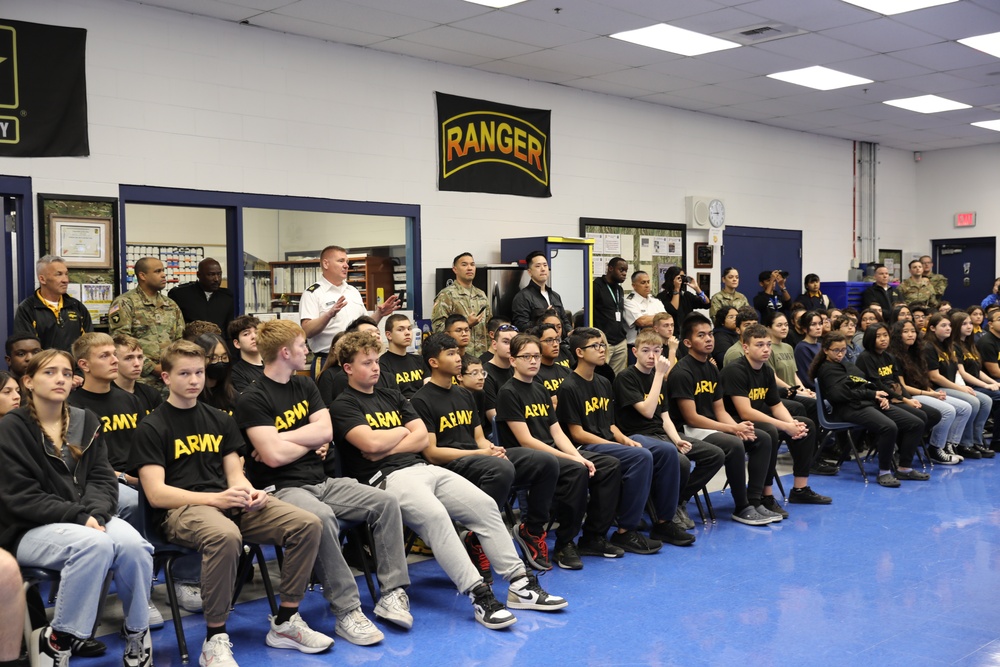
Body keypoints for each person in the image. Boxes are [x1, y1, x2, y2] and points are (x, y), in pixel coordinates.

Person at [331, 331, 567, 629]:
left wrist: (391, 440)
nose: (376, 368)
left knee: (484, 506)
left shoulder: (393, 396)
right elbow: (371, 446)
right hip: (386, 479)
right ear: (348, 368)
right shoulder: (343, 406)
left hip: (424, 469)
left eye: (377, 361)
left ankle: (520, 584)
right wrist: (401, 435)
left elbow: (418, 441)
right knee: (436, 517)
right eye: (367, 363)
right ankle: (479, 593)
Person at [133, 340, 332, 667]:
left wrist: (248, 491)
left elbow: (234, 473)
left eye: (198, 372)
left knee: (306, 523)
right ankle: (215, 639)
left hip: (228, 503)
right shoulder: (152, 426)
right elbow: (156, 494)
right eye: (184, 373)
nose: (194, 380)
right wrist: (217, 498)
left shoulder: (219, 419)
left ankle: (286, 622)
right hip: (181, 510)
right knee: (226, 536)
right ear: (166, 378)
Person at [237, 319, 411, 644]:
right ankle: (347, 611)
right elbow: (272, 458)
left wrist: (281, 438)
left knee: (385, 502)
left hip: (322, 481)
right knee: (320, 517)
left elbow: (325, 433)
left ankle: (392, 593)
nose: (308, 350)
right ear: (285, 351)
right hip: (280, 489)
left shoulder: (305, 386)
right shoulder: (253, 397)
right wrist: (297, 442)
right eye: (303, 345)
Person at [0, 349, 154, 667]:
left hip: (86, 519)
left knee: (135, 546)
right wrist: (79, 516)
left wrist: (96, 513)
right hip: (29, 528)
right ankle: (59, 640)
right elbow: (20, 496)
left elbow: (101, 478)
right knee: (94, 545)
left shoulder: (85, 420)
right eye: (50, 372)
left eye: (67, 373)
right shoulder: (10, 429)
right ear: (27, 381)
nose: (60, 379)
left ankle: (138, 632)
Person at [413, 333, 561, 573]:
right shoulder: (421, 400)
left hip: (478, 459)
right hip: (449, 466)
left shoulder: (465, 394)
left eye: (457, 352)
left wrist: (490, 449)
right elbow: (432, 453)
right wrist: (481, 454)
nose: (458, 358)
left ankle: (531, 531)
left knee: (546, 461)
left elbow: (479, 438)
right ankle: (478, 537)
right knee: (500, 469)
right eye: (450, 354)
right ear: (433, 362)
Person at [495, 333, 622, 569]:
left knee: (609, 465)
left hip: (551, 452)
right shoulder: (508, 392)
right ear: (513, 361)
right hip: (524, 457)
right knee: (576, 470)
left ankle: (593, 536)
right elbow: (526, 440)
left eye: (536, 356)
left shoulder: (541, 390)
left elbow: (557, 433)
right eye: (527, 357)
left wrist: (578, 455)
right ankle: (563, 544)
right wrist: (573, 459)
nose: (533, 361)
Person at [556, 327, 669, 554]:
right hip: (584, 446)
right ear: (579, 352)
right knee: (641, 457)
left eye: (603, 345)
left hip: (606, 442)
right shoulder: (569, 386)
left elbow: (611, 425)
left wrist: (625, 440)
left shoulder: (603, 382)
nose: (602, 350)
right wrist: (614, 445)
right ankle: (626, 530)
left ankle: (653, 522)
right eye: (595, 346)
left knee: (653, 452)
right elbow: (576, 433)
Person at [666, 313, 777, 525]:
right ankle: (741, 506)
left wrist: (737, 426)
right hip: (687, 429)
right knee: (734, 444)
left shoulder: (711, 368)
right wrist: (732, 430)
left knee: (761, 437)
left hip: (710, 426)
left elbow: (719, 410)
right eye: (701, 335)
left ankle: (754, 500)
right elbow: (692, 418)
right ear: (688, 342)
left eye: (710, 334)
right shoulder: (682, 371)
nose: (709, 339)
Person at [612, 328, 709, 544]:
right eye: (645, 350)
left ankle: (678, 501)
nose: (651, 356)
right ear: (634, 352)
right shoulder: (626, 378)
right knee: (679, 460)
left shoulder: (659, 381)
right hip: (636, 434)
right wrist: (658, 375)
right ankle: (664, 519)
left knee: (713, 453)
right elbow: (647, 411)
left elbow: (665, 416)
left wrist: (677, 439)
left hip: (660, 434)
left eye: (656, 351)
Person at [720, 324, 830, 506]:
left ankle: (800, 489)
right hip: (735, 423)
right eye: (759, 345)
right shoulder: (735, 370)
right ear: (745, 347)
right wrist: (785, 426)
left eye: (768, 345)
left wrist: (792, 424)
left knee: (806, 424)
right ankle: (765, 495)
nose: (766, 349)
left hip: (755, 419)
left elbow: (776, 405)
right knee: (770, 431)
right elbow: (745, 411)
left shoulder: (766, 370)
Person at [810, 332, 928, 488]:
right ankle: (884, 472)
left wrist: (879, 397)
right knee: (888, 427)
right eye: (836, 350)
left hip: (866, 403)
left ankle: (904, 468)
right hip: (847, 409)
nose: (840, 354)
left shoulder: (847, 365)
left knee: (916, 423)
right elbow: (840, 395)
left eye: (843, 350)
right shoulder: (827, 370)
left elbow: (865, 384)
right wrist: (872, 395)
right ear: (825, 350)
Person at [299, 245, 400, 376]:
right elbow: (307, 331)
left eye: (347, 262)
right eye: (341, 261)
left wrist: (379, 314)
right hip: (328, 360)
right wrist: (329, 314)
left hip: (356, 358)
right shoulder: (313, 293)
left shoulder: (353, 291)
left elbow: (362, 327)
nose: (346, 265)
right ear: (326, 264)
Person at [889, 320, 968, 465]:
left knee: (964, 407)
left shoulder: (916, 353)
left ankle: (949, 445)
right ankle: (935, 449)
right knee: (948, 411)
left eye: (913, 331)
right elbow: (903, 386)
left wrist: (933, 392)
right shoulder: (894, 356)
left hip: (923, 392)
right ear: (897, 335)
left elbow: (923, 381)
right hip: (910, 395)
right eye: (905, 332)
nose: (910, 335)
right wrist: (930, 394)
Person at [924, 312, 993, 460]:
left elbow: (956, 372)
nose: (948, 328)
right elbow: (934, 377)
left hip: (951, 386)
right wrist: (960, 388)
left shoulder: (947, 346)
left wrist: (961, 386)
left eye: (949, 325)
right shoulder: (929, 347)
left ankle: (975, 441)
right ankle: (957, 443)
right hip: (936, 389)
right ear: (932, 328)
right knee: (972, 402)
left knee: (986, 400)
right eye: (943, 325)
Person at [109, 256, 185, 389]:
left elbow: (179, 340)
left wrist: (174, 366)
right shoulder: (125, 302)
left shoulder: (170, 305)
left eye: (163, 271)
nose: (163, 275)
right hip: (139, 379)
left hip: (169, 379)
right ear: (142, 276)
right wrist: (152, 367)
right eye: (157, 271)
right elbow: (120, 341)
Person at [13, 255, 92, 353]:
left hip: (74, 367)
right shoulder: (27, 309)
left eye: (66, 274)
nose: (66, 280)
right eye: (58, 274)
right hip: (44, 367)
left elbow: (89, 344)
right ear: (42, 279)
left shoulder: (77, 307)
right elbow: (27, 349)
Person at [950, 311, 999, 456]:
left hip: (975, 384)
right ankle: (968, 443)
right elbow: (963, 373)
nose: (969, 326)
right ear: (956, 326)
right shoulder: (954, 346)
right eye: (964, 324)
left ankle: (978, 441)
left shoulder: (971, 345)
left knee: (991, 397)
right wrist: (986, 386)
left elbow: (977, 370)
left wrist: (992, 382)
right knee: (986, 400)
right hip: (963, 386)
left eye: (970, 323)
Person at [431, 252, 491, 358]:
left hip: (482, 355)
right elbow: (438, 328)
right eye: (464, 265)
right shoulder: (447, 295)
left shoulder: (481, 294)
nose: (469, 268)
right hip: (458, 355)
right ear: (455, 269)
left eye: (472, 264)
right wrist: (467, 324)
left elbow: (488, 325)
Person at [511, 251, 572, 334]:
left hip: (558, 343)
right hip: (537, 343)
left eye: (545, 265)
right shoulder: (522, 297)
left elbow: (564, 321)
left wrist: (570, 332)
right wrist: (543, 318)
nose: (543, 269)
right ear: (530, 272)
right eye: (538, 266)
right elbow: (521, 327)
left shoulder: (555, 296)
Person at [168, 258, 234, 334]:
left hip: (218, 343)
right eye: (211, 275)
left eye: (219, 274)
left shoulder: (227, 297)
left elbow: (229, 329)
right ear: (199, 275)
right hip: (191, 343)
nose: (216, 279)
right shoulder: (180, 295)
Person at [592, 257, 629, 374]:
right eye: (621, 270)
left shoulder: (619, 289)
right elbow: (588, 312)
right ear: (611, 268)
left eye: (626, 271)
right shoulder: (596, 286)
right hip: (604, 342)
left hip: (620, 341)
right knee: (602, 376)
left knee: (618, 378)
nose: (624, 274)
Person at [112, 334, 164, 416]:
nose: (137, 364)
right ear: (114, 361)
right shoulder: (104, 396)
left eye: (140, 357)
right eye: (128, 358)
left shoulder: (151, 394)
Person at [379, 314, 425, 399]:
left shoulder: (419, 360)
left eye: (409, 329)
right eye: (400, 329)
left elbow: (429, 388)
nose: (407, 333)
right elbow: (389, 396)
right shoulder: (382, 364)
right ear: (389, 335)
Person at [482, 323, 518, 424]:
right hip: (499, 430)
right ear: (494, 344)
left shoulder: (519, 369)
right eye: (506, 342)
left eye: (515, 342)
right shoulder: (485, 373)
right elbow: (492, 416)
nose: (511, 346)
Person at [193, 332, 237, 413]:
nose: (220, 362)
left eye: (224, 357)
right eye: (213, 358)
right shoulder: (191, 396)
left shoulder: (233, 396)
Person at [623, 270, 666, 345]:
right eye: (643, 283)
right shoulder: (628, 301)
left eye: (648, 282)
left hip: (656, 345)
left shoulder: (655, 301)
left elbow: (666, 319)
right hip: (637, 346)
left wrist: (651, 318)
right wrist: (660, 318)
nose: (647, 285)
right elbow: (642, 322)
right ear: (634, 285)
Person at [533, 323, 571, 407]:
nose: (555, 344)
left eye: (557, 339)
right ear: (537, 343)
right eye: (549, 340)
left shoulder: (567, 371)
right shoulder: (533, 373)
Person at [228, 315, 263, 393]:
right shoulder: (236, 373)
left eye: (257, 332)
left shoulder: (274, 363)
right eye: (246, 334)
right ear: (237, 343)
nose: (254, 336)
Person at [793, 311, 824, 391]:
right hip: (814, 390)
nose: (818, 327)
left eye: (820, 323)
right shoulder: (802, 348)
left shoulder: (820, 345)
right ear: (804, 328)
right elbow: (808, 378)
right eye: (813, 324)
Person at [976, 308, 1000, 383]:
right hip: (992, 380)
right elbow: (995, 372)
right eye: (999, 319)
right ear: (990, 324)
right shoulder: (986, 343)